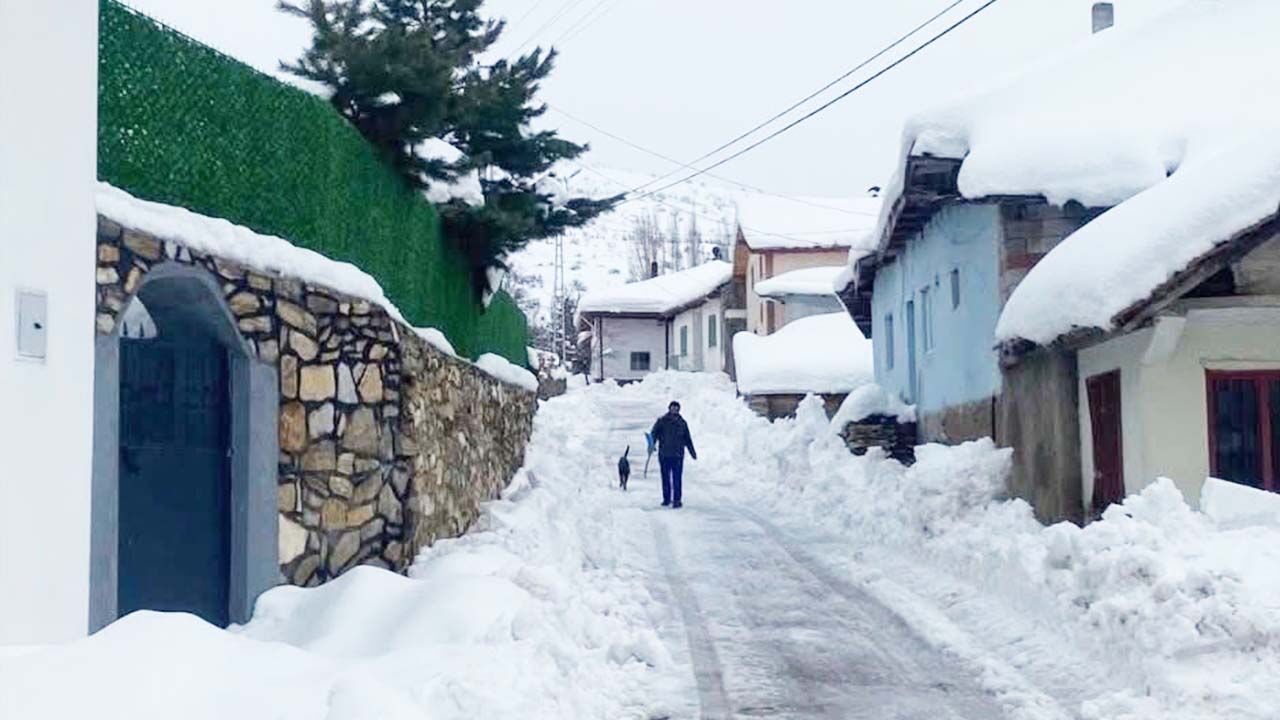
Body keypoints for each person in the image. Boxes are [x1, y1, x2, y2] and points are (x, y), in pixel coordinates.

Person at [650, 401, 696, 508]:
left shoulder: (682, 423)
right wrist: (651, 444)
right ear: (669, 408)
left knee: (677, 478)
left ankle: (677, 500)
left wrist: (692, 452)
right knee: (665, 478)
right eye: (673, 407)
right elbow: (654, 433)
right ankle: (666, 499)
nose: (674, 409)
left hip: (678, 455)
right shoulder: (662, 421)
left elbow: (687, 439)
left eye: (676, 408)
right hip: (664, 454)